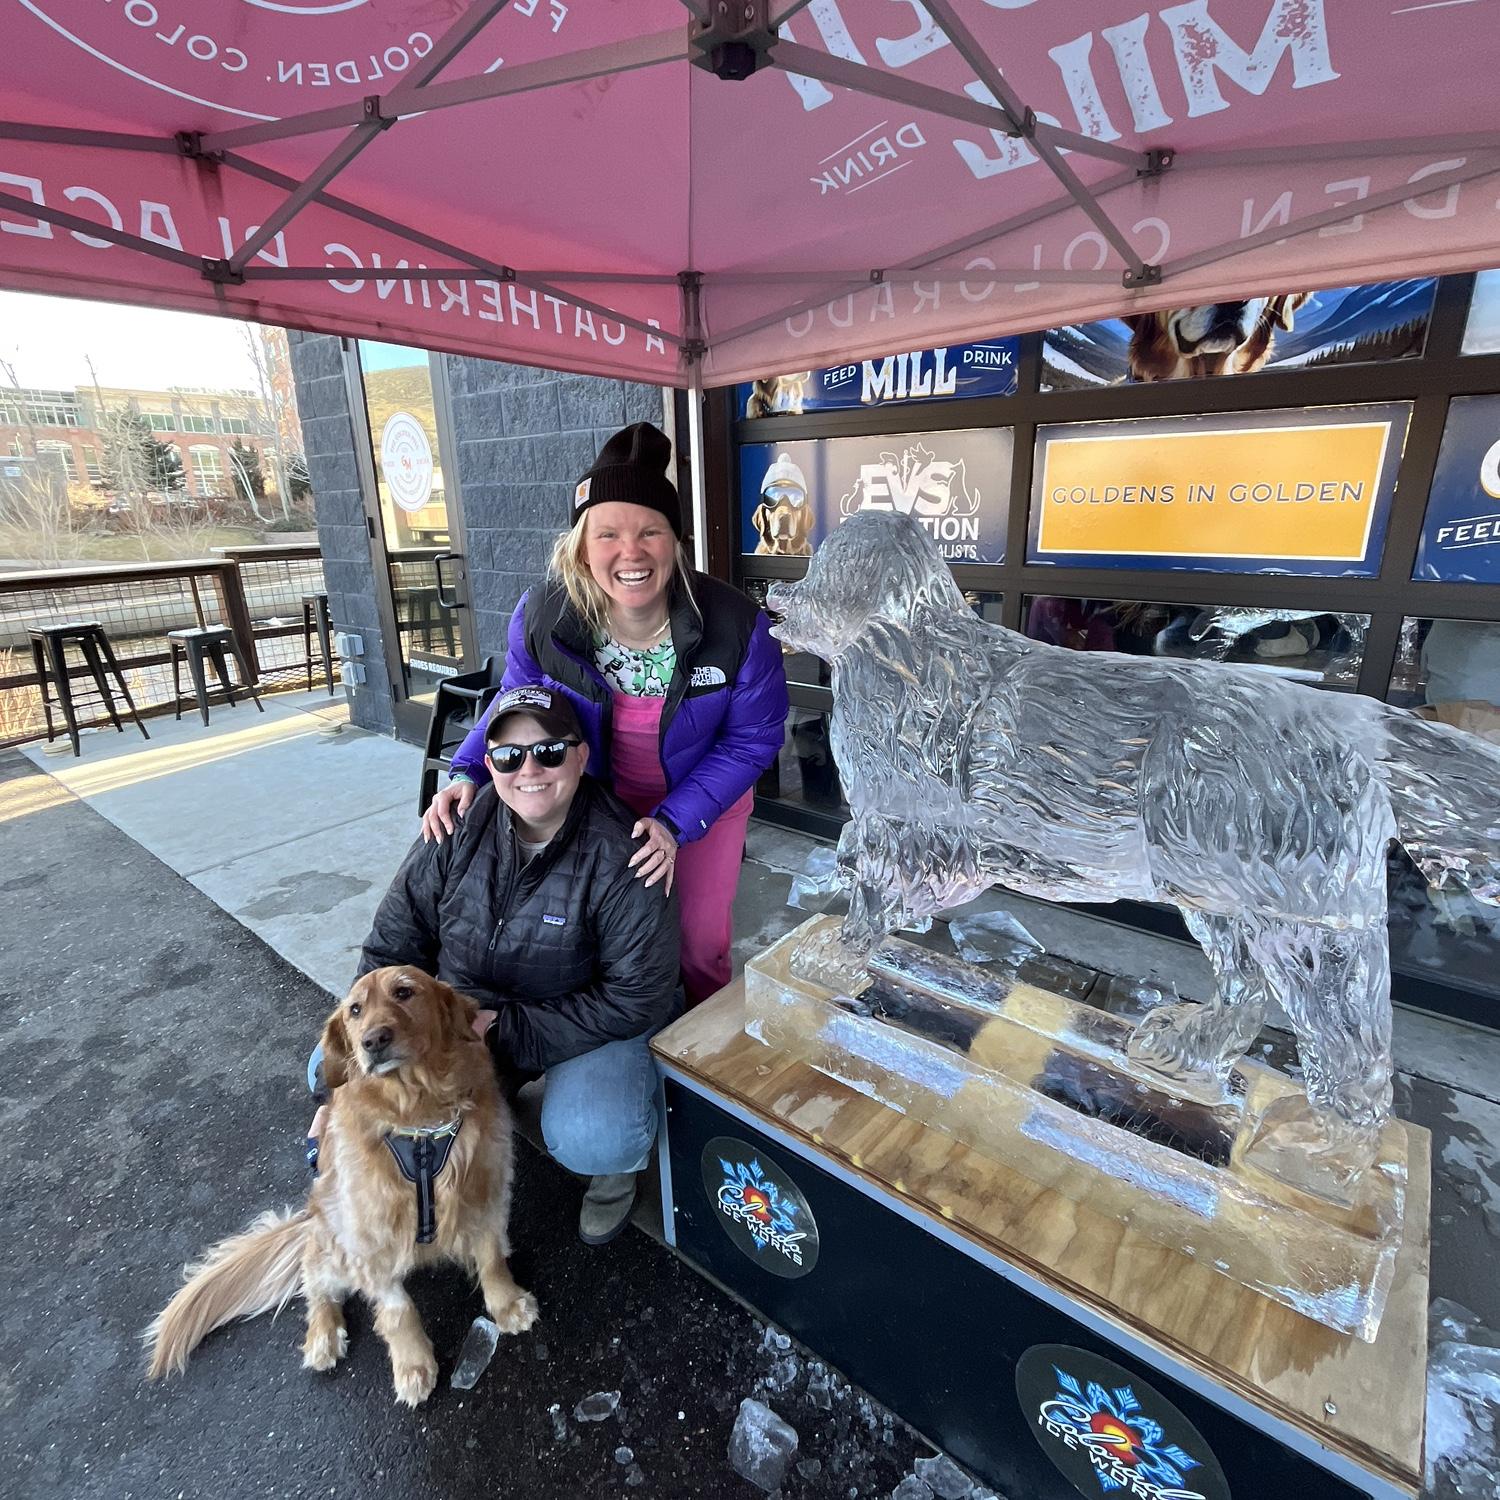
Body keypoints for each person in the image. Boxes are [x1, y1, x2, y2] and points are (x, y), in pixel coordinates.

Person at [423, 420, 789, 1006]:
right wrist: (466, 772)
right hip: (594, 803)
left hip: (702, 806)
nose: (631, 552)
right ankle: (614, 1044)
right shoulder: (546, 616)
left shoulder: (736, 625)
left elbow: (752, 739)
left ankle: (696, 1059)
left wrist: (674, 822)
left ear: (675, 541)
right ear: (580, 545)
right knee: (592, 934)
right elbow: (513, 698)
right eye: (608, 534)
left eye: (651, 531)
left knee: (697, 945)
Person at [352, 684, 682, 1244]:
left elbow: (637, 995)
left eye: (549, 751)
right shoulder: (454, 824)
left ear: (581, 755)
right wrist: (381, 1031)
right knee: (335, 1069)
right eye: (509, 755)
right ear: (489, 764)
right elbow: (391, 946)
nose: (529, 768)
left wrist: (505, 1028)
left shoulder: (625, 850)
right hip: (467, 1012)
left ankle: (617, 1169)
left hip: (585, 1016)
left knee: (590, 1134)